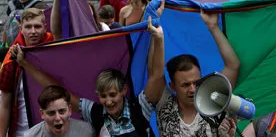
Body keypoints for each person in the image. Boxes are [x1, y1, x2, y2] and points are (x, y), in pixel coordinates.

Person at [12, 17, 164, 136]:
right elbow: (58, 90)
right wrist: (25, 64)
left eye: (113, 94)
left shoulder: (139, 108)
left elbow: (156, 76)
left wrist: (159, 39)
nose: (109, 101)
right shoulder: (95, 113)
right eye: (103, 96)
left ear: (124, 90)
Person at [144, 3, 240, 137]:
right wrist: (156, 32)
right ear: (172, 86)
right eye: (185, 85)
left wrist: (213, 26)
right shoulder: (164, 103)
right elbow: (155, 73)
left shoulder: (215, 100)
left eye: (196, 82)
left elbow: (233, 66)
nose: (192, 89)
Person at [0, 8, 56, 136]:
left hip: (53, 131)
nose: (33, 31)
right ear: (21, 28)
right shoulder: (10, 61)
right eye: (28, 27)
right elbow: (5, 105)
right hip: (21, 132)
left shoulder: (55, 52)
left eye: (37, 26)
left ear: (45, 27)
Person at [27, 85, 93, 137]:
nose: (57, 118)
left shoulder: (87, 131)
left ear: (69, 110)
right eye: (51, 113)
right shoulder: (30, 135)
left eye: (62, 111)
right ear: (42, 114)